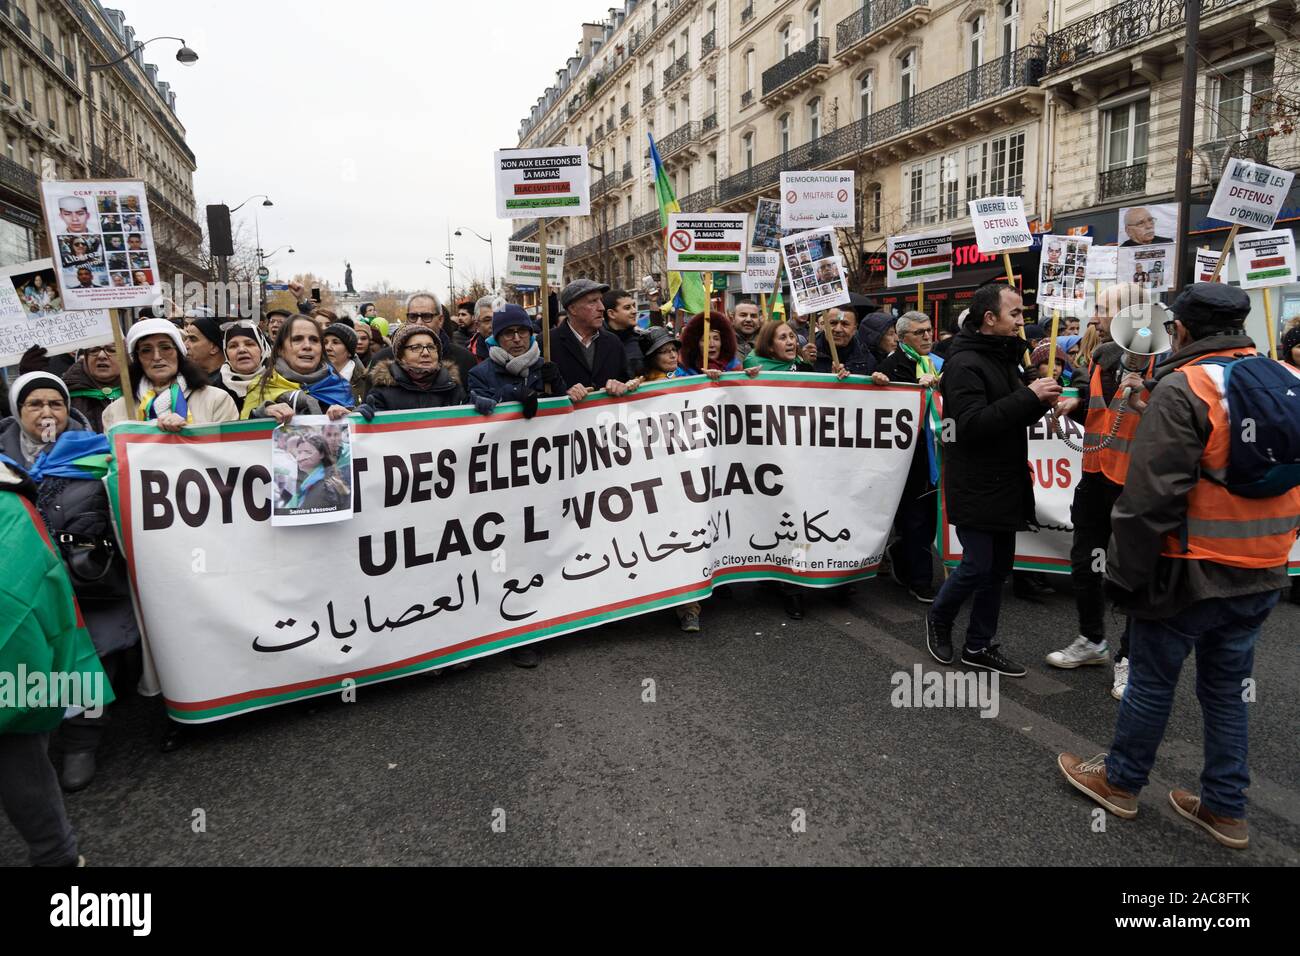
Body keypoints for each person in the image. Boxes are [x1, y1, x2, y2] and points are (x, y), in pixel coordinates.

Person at [1057, 283, 1300, 850]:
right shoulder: (1288, 378)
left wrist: (1124, 575)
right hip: (1264, 564)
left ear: (1182, 330)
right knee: (1228, 690)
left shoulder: (1185, 385)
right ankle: (1225, 808)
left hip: (1187, 567)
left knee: (1150, 682)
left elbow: (1149, 499)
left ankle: (1120, 782)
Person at [1, 372, 135, 792]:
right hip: (26, 586)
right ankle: (34, 740)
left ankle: (82, 742)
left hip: (92, 585)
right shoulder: (2, 466)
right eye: (35, 404)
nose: (46, 412)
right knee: (28, 658)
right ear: (17, 411)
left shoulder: (98, 453)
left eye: (55, 404)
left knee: (91, 659)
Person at [925, 282, 1061, 677]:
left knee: (998, 569)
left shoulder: (1004, 355)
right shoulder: (965, 363)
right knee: (977, 565)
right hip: (976, 481)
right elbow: (970, 425)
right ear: (989, 318)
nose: (1021, 321)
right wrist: (1028, 396)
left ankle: (978, 645)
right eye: (1015, 313)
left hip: (1005, 479)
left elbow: (1008, 415)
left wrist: (1041, 402)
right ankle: (939, 617)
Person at [0, 454, 108, 866]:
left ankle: (56, 856)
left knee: (19, 756)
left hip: (13, 665)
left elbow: (25, 595)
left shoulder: (7, 501)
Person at [1046, 284, 1152, 697]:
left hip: (1137, 483)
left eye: (1104, 309)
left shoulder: (1163, 361)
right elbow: (1099, 407)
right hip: (1095, 476)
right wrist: (1073, 402)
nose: (1095, 317)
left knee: (1133, 574)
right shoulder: (1101, 357)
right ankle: (1092, 640)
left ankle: (1131, 657)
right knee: (1085, 564)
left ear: (1130, 314)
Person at [877, 312, 942, 603]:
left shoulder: (938, 363)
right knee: (915, 520)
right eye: (919, 332)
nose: (927, 336)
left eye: (929, 330)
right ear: (903, 338)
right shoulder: (891, 366)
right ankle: (920, 581)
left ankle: (902, 554)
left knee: (928, 520)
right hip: (907, 458)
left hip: (935, 454)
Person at [102, 320, 240, 430]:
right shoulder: (115, 411)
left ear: (179, 353)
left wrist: (188, 433)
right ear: (137, 358)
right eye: (146, 350)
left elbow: (227, 451)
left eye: (165, 348)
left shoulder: (216, 400)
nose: (157, 357)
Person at [241, 316, 356, 424]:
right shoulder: (261, 387)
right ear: (280, 349)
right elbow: (241, 433)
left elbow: (356, 434)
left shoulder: (340, 387)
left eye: (314, 340)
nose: (307, 346)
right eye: (297, 339)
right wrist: (261, 414)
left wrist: (350, 417)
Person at [468, 304, 575, 417]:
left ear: (530, 334)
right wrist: (511, 392)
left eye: (522, 331)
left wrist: (558, 386)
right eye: (508, 333)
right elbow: (477, 412)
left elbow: (564, 413)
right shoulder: (479, 374)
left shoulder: (544, 366)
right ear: (497, 338)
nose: (517, 339)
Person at [552, 279, 635, 399]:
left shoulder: (613, 342)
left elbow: (626, 380)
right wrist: (564, 394)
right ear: (573, 309)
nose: (601, 307)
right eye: (593, 301)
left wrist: (623, 386)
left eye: (600, 300)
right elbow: (538, 393)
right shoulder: (548, 343)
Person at [370, 292, 475, 385]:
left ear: (440, 320)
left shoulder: (464, 359)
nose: (419, 322)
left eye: (426, 316)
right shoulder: (382, 360)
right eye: (413, 317)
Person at [360, 324, 465, 413]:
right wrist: (362, 417)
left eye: (431, 347)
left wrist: (472, 407)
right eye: (416, 348)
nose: (426, 353)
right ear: (401, 356)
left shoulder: (453, 387)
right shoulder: (381, 392)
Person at [60, 344, 124, 433]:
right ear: (85, 357)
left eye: (111, 350)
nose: (101, 355)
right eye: (94, 350)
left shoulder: (140, 392)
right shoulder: (64, 396)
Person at [182, 314, 240, 403]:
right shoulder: (185, 381)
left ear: (214, 347)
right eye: (186, 339)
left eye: (193, 339)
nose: (185, 345)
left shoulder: (233, 387)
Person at [284, 434, 350, 512]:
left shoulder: (323, 484)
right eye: (299, 452)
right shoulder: (310, 479)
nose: (301, 457)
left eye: (308, 452)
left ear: (321, 454)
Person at [813, 306, 876, 375]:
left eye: (845, 324)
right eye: (833, 323)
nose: (838, 329)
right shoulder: (808, 351)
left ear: (854, 329)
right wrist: (806, 362)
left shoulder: (866, 359)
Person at [742, 320, 822, 373]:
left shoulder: (803, 367)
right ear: (770, 346)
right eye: (783, 338)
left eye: (792, 336)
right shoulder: (755, 370)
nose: (790, 342)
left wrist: (807, 365)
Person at [219, 322, 271, 403]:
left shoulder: (281, 380)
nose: (241, 350)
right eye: (233, 346)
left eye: (249, 344)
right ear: (226, 353)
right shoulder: (216, 390)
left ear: (262, 349)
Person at [678, 313, 743, 375]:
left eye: (716, 339)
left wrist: (747, 375)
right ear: (696, 345)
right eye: (705, 340)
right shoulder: (683, 370)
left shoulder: (735, 367)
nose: (712, 345)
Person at [602, 288, 647, 377]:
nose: (634, 311)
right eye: (627, 308)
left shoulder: (641, 339)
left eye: (633, 306)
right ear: (611, 314)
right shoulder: (598, 343)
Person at [323, 322, 366, 403]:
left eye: (335, 342)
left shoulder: (365, 382)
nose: (328, 348)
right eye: (325, 343)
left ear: (349, 352)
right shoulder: (313, 378)